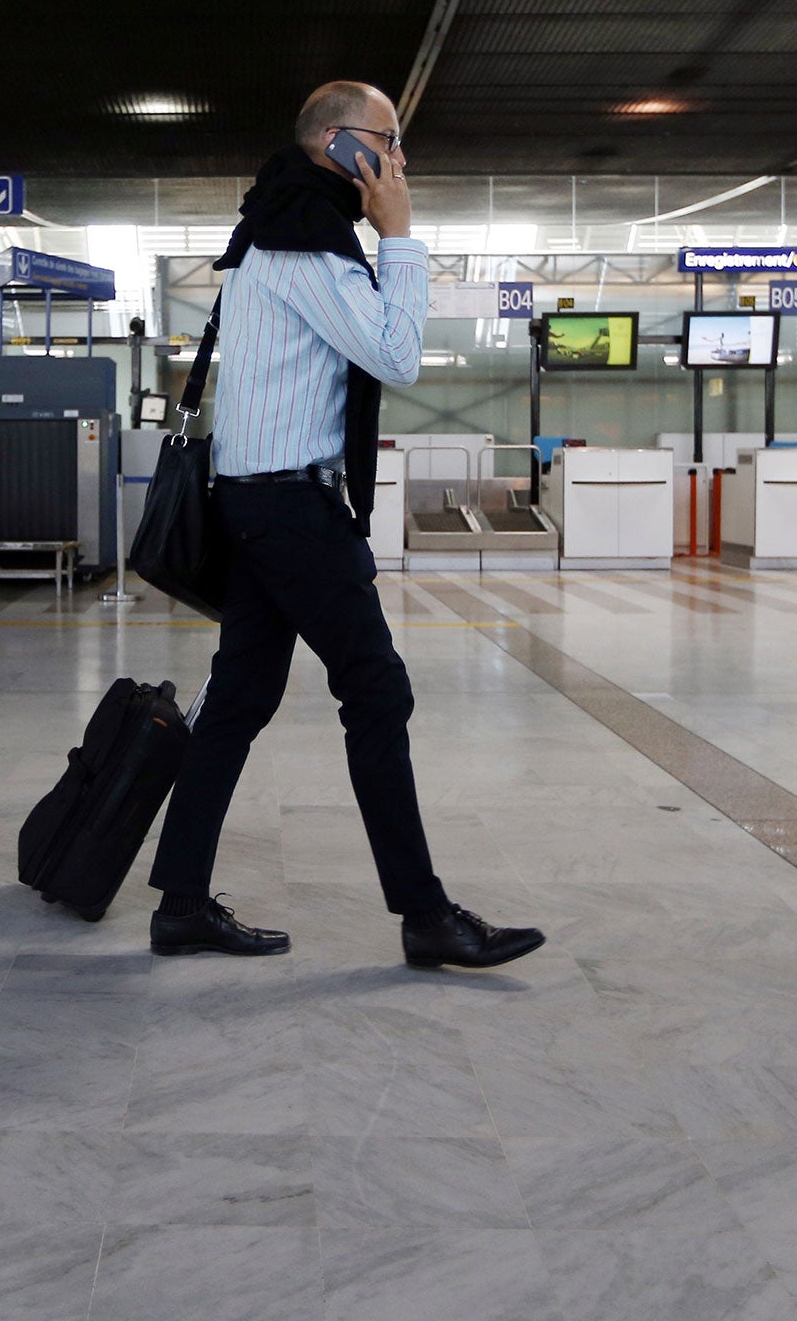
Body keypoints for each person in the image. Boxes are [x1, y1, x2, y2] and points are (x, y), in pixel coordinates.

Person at [146, 80, 546, 970]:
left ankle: (179, 904)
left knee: (242, 698)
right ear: (339, 143)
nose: (400, 161)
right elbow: (397, 353)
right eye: (390, 141)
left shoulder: (273, 228)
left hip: (261, 498)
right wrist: (401, 236)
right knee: (376, 691)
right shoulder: (303, 244)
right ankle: (425, 916)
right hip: (289, 507)